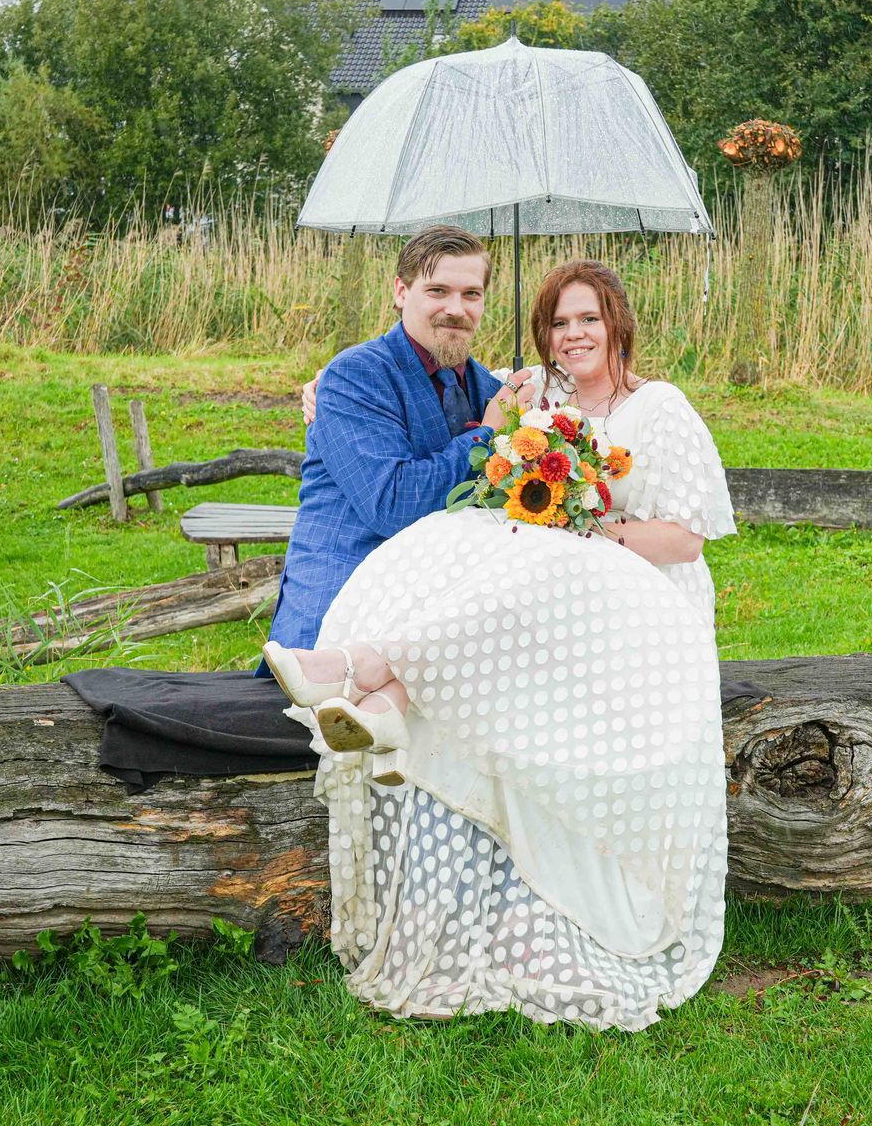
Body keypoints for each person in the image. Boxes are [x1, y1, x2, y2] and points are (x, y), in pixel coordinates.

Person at [264, 259, 735, 1031]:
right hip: (562, 604)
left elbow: (684, 540)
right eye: (558, 322)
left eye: (587, 319)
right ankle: (382, 691)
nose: (573, 335)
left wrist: (589, 532)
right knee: (474, 533)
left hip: (645, 604)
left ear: (618, 324)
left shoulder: (660, 408)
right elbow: (487, 426)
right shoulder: (538, 399)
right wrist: (333, 380)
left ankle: (371, 675)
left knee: (536, 563)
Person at [262, 224, 512, 657]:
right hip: (341, 612)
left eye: (471, 294)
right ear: (401, 291)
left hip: (443, 611)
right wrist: (488, 435)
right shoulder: (355, 377)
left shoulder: (492, 391)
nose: (456, 309)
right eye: (437, 291)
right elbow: (393, 503)